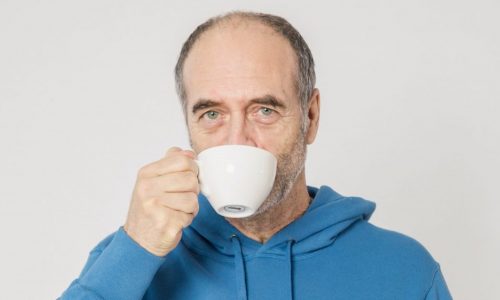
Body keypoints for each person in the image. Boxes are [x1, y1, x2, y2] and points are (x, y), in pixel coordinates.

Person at [60, 11, 452, 300]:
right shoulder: (130, 258)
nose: (238, 139)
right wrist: (134, 251)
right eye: (212, 114)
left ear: (310, 117)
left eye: (264, 110)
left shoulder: (404, 270)